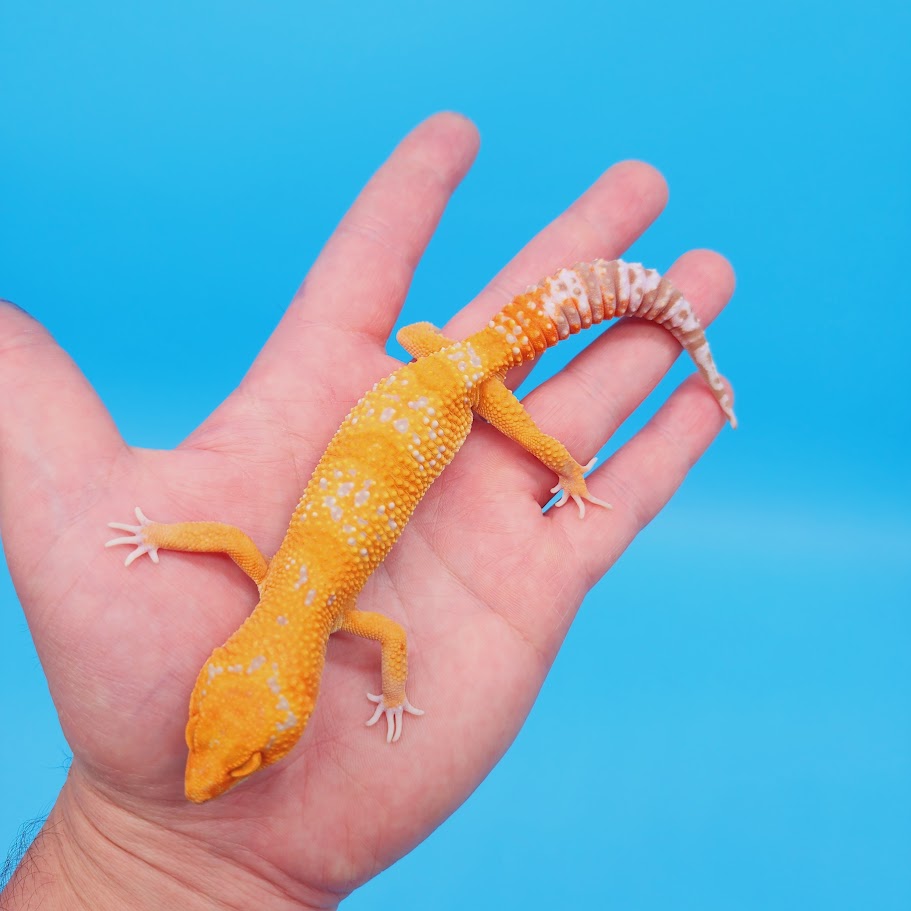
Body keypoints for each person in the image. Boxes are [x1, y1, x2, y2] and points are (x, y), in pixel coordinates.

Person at [0, 112, 734, 910]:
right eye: (225, 754)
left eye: (229, 757)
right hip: (431, 364)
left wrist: (562, 467)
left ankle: (619, 383)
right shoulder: (293, 594)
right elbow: (240, 552)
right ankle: (637, 341)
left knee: (525, 423)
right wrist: (160, 537)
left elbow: (373, 627)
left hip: (459, 385)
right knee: (462, 352)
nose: (204, 776)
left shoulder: (313, 605)